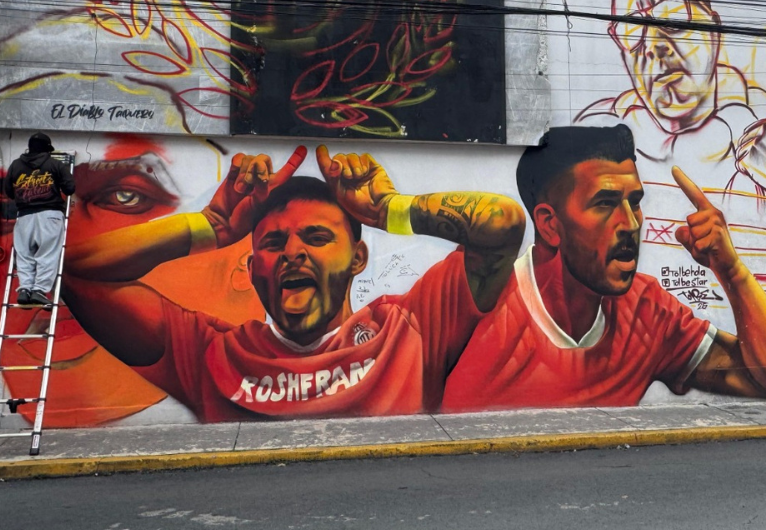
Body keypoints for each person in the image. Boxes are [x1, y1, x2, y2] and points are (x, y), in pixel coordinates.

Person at [60, 145, 524, 421]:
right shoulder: (210, 351)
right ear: (252, 266)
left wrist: (389, 210)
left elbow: (499, 223)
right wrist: (212, 224)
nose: (294, 253)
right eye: (275, 242)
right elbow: (78, 271)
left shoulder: (409, 328)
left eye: (317, 237)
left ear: (358, 257)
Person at [441, 125, 766, 411]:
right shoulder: (478, 301)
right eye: (606, 203)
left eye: (635, 202)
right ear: (550, 225)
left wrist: (732, 271)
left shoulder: (647, 313)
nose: (630, 223)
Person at [576, 0, 766, 199]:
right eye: (631, 31)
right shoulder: (596, 133)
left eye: (674, 16)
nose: (654, 46)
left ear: (715, 32)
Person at [5, 132, 76, 307]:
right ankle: (38, 290)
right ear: (47, 149)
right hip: (50, 214)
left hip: (24, 216)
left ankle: (25, 289)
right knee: (47, 253)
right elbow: (70, 188)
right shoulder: (54, 164)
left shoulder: (15, 165)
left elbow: (8, 191)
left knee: (24, 254)